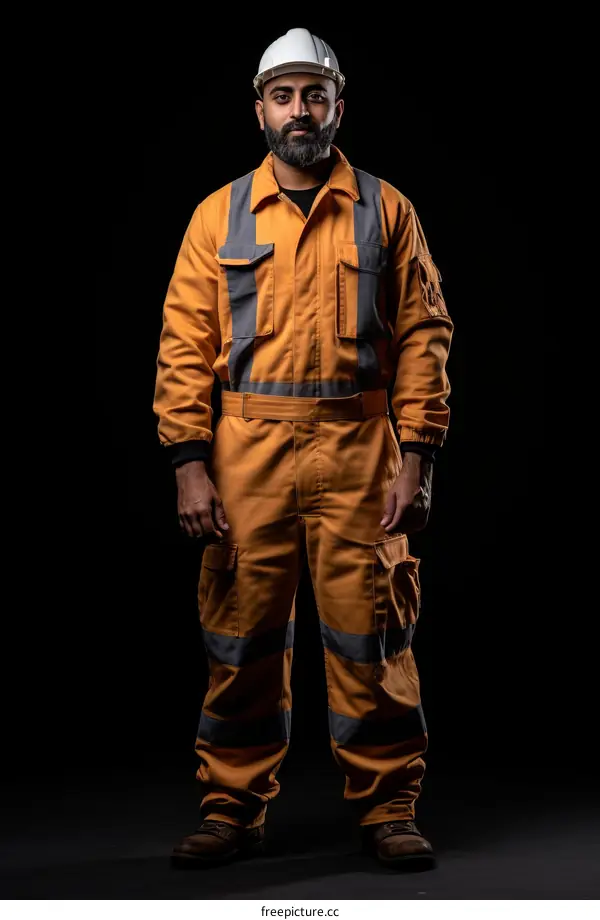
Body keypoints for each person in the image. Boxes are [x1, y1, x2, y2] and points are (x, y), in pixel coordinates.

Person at [153, 27, 453, 871]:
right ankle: (231, 809)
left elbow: (427, 335)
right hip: (246, 449)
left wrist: (417, 453)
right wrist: (188, 462)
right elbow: (184, 342)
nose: (299, 110)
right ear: (260, 109)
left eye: (314, 95)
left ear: (338, 106)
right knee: (243, 636)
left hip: (360, 446)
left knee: (373, 636)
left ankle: (390, 809)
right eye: (283, 95)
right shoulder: (218, 215)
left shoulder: (387, 209)